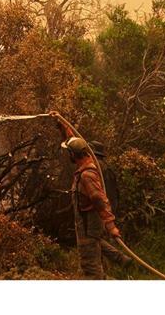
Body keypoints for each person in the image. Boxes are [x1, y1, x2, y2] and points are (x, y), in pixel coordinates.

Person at [48, 111, 122, 279]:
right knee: (94, 265)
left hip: (89, 229)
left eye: (69, 153)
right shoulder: (87, 157)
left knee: (91, 269)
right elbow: (74, 142)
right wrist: (62, 124)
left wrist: (111, 226)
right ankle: (121, 261)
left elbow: (99, 199)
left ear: (74, 155)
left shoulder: (88, 174)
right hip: (89, 227)